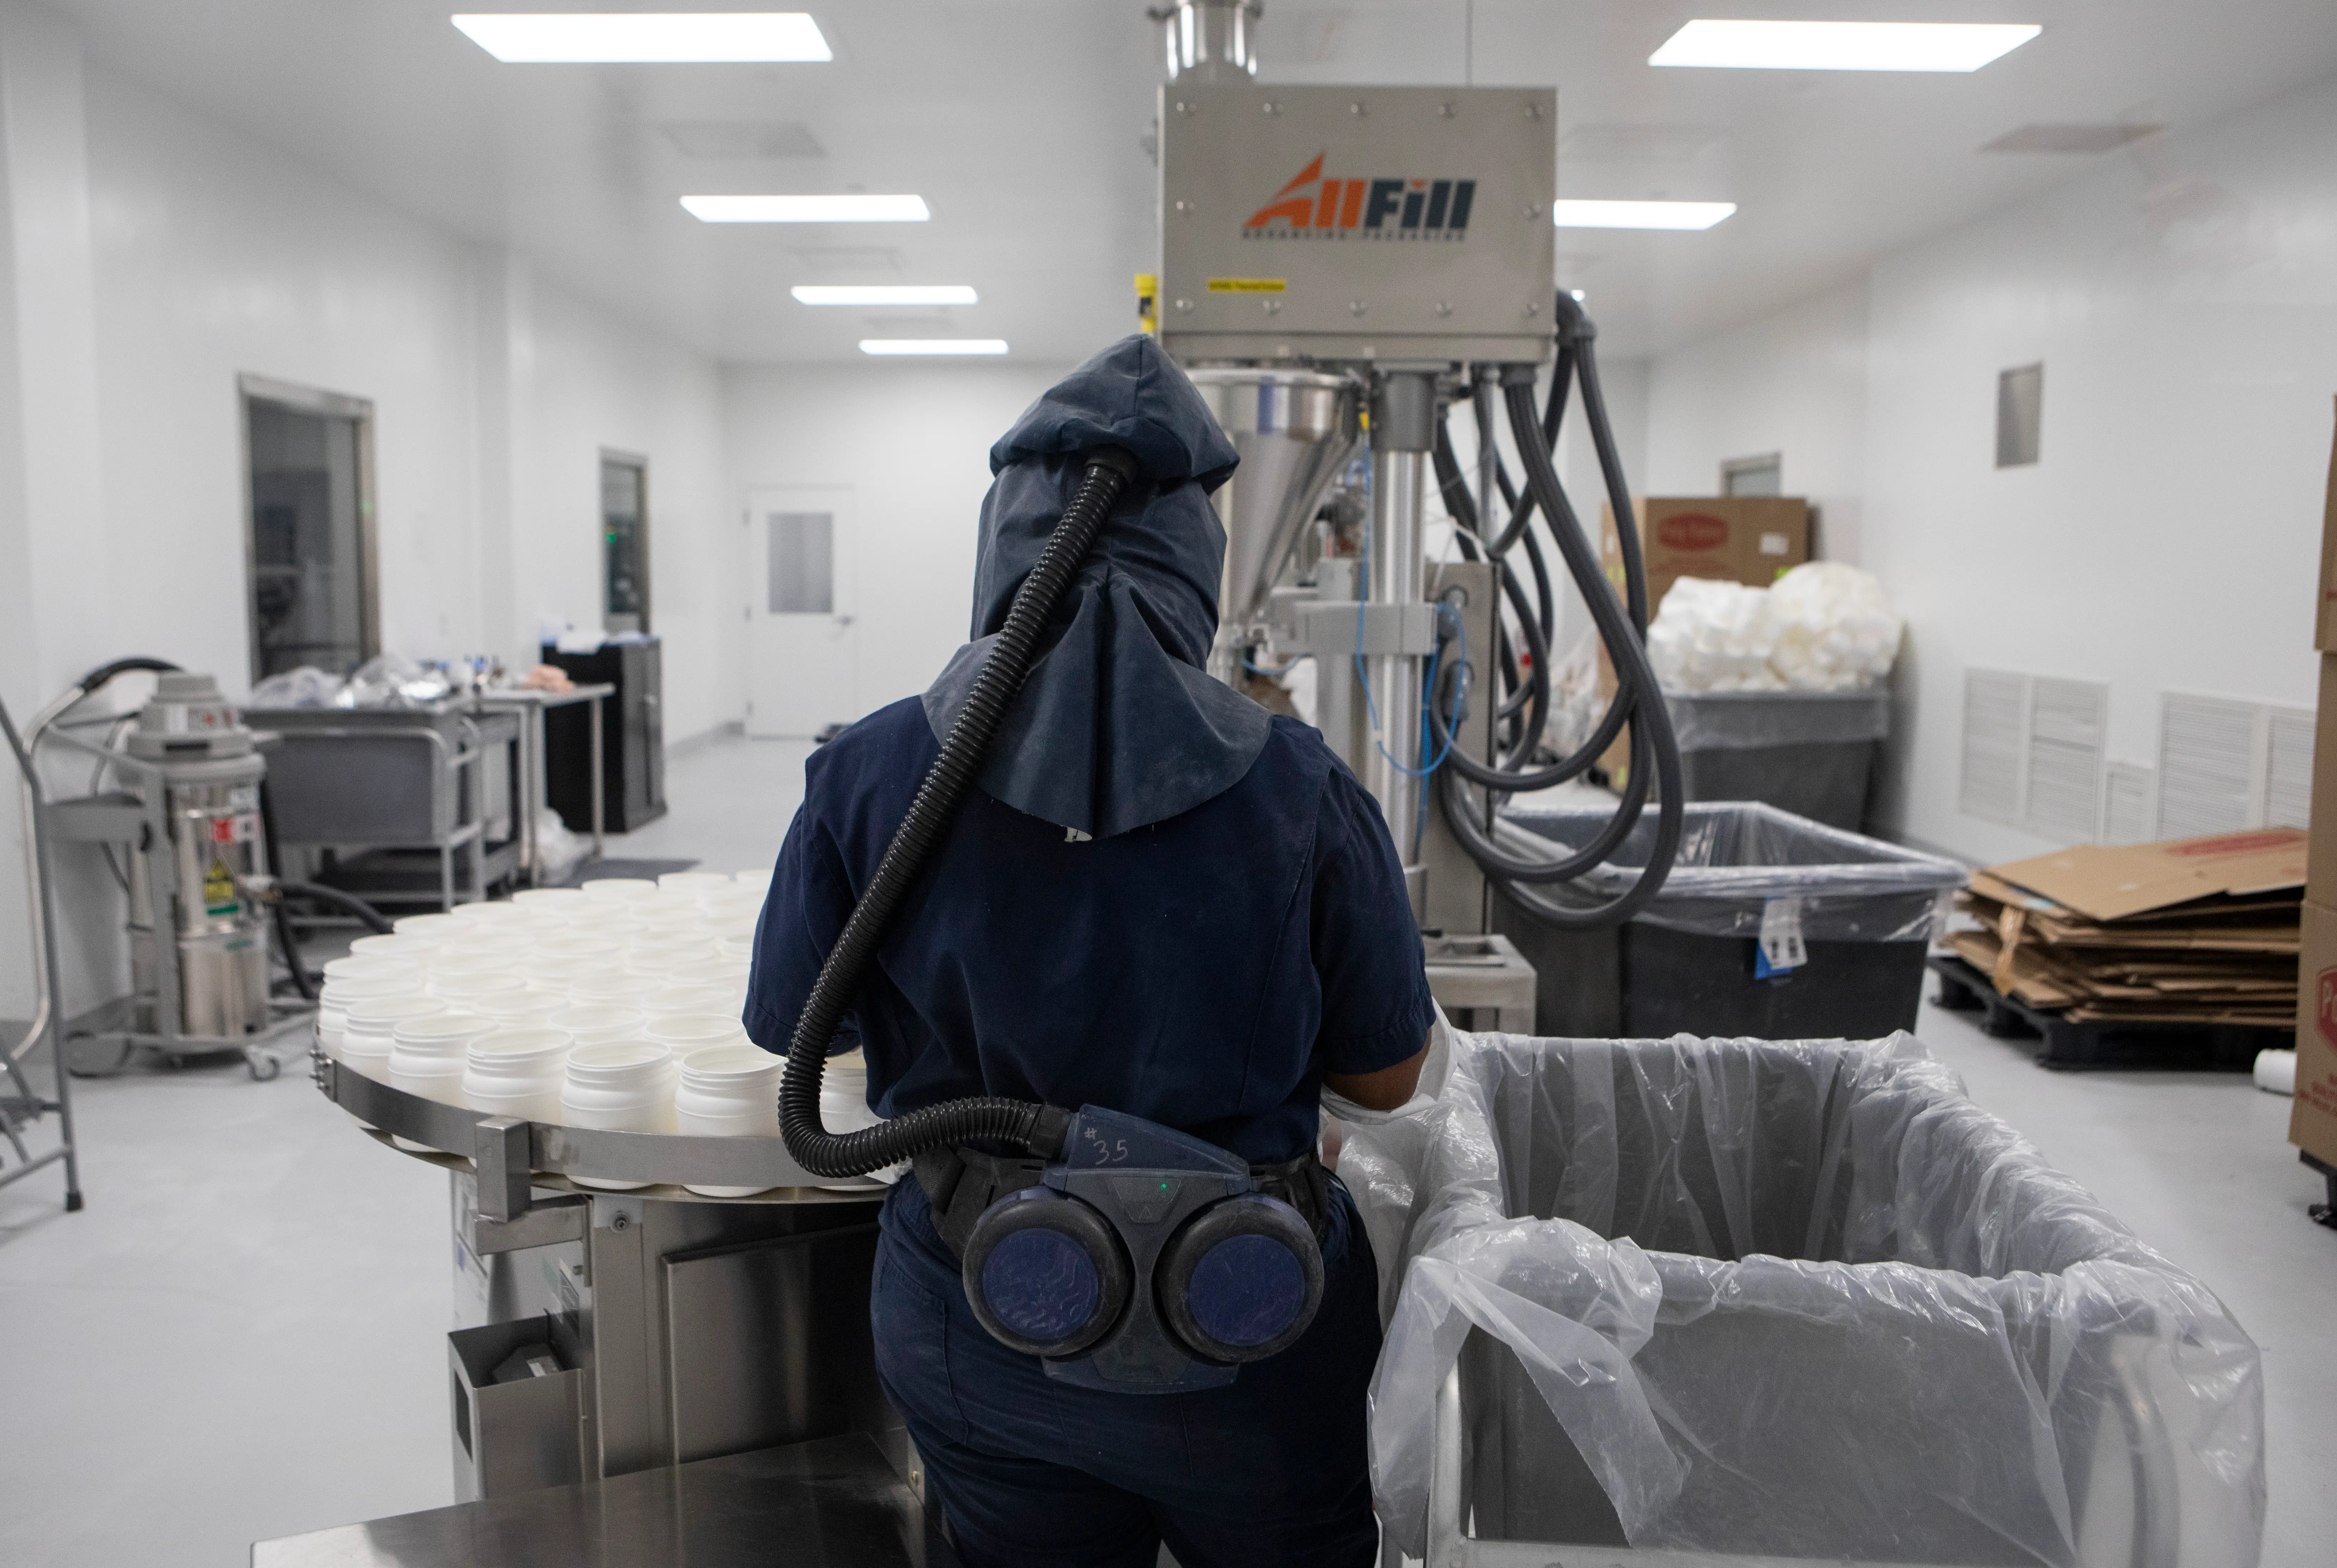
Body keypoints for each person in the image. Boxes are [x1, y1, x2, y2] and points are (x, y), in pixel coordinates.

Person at [745, 335, 1432, 1568]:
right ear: (1196, 571)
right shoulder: (1301, 785)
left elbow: (790, 1025)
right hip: (1246, 1326)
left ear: (1001, 547)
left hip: (983, 1309)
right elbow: (1388, 1079)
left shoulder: (872, 771)